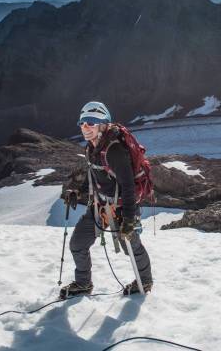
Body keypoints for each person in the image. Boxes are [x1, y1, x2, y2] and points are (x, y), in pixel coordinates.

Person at [60, 101, 153, 298]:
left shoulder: (114, 151)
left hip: (121, 208)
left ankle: (144, 281)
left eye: (91, 123)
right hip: (100, 206)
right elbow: (95, 175)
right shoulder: (92, 147)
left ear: (103, 124)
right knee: (78, 243)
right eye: (83, 123)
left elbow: (128, 186)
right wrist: (78, 191)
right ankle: (83, 283)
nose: (85, 127)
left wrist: (128, 219)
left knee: (132, 246)